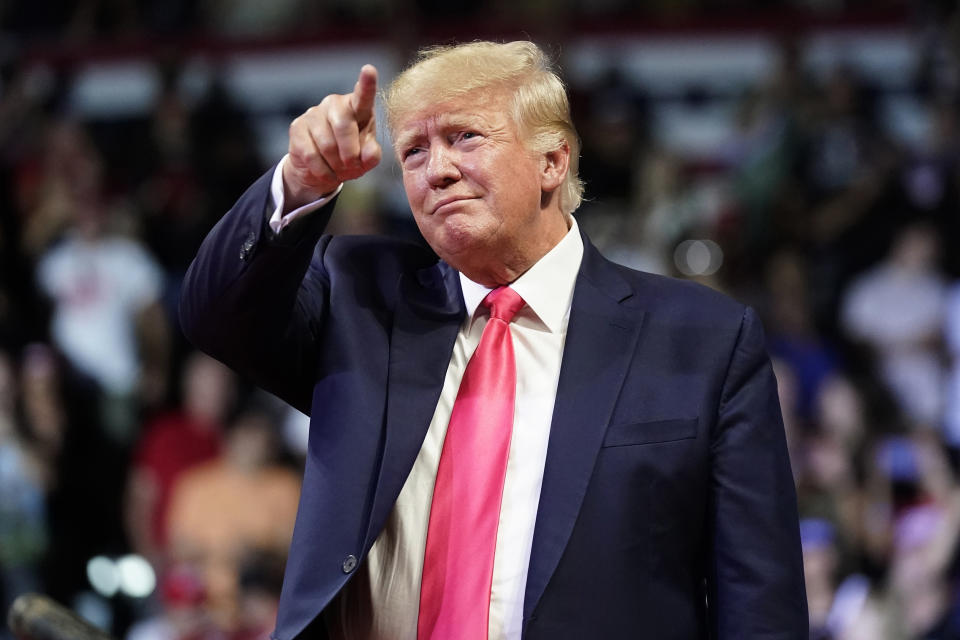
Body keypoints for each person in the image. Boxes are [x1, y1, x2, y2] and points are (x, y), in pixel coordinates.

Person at [180, 41, 807, 639]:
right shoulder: (358, 298)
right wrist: (299, 180)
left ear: (552, 160)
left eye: (464, 137)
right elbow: (213, 315)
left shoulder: (703, 340)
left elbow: (758, 599)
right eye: (415, 152)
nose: (438, 170)